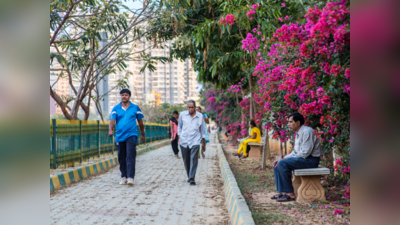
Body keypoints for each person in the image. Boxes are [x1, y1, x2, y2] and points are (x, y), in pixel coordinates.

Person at [271, 112, 322, 202]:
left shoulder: (307, 131)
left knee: (282, 163)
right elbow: (295, 152)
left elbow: (305, 153)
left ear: (298, 123)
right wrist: (283, 158)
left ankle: (290, 193)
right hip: (303, 159)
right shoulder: (299, 133)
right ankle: (283, 192)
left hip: (310, 160)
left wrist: (284, 160)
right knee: (277, 163)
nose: (288, 124)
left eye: (290, 122)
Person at [108, 89, 145, 185]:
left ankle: (130, 177)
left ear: (129, 96)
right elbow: (112, 121)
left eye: (126, 95)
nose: (124, 96)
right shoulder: (116, 108)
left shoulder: (135, 107)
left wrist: (142, 134)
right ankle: (123, 176)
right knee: (121, 157)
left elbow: (140, 122)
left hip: (132, 134)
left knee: (130, 155)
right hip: (120, 135)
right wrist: (110, 129)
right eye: (122, 95)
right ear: (120, 96)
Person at [178, 100, 206, 186]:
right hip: (184, 141)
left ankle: (192, 178)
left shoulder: (200, 116)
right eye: (189, 107)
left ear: (195, 107)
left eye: (192, 107)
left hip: (195, 140)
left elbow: (202, 130)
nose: (190, 109)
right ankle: (189, 176)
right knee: (186, 160)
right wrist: (179, 137)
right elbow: (180, 127)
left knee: (194, 158)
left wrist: (203, 142)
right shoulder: (182, 115)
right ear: (187, 107)